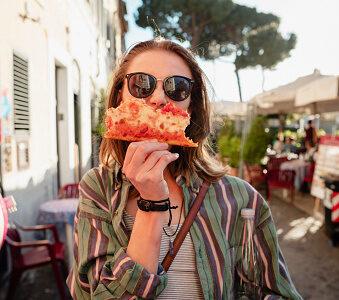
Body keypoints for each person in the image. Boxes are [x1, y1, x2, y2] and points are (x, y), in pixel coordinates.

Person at [67, 38, 302, 299]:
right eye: (141, 84)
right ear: (120, 95)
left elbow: (275, 292)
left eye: (177, 88)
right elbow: (88, 294)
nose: (157, 98)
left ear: (190, 105)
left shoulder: (241, 199)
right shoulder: (97, 188)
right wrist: (152, 204)